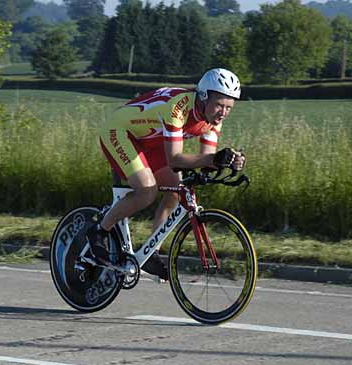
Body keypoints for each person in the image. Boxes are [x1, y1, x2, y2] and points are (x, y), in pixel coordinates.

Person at [88, 68, 245, 280]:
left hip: (150, 142)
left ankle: (152, 253)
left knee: (175, 191)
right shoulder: (178, 108)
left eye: (228, 107)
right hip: (120, 132)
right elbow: (175, 159)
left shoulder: (212, 120)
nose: (223, 112)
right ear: (204, 96)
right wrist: (213, 159)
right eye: (219, 105)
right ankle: (99, 231)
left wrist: (228, 161)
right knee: (147, 190)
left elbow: (207, 159)